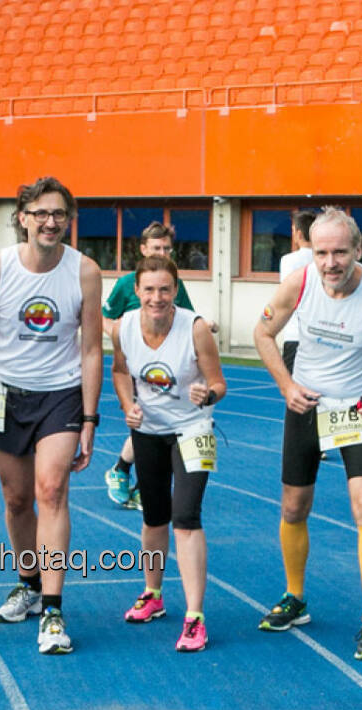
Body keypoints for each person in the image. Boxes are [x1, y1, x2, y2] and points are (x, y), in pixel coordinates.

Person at [252, 207, 362, 661]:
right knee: (294, 506)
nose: (330, 262)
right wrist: (287, 386)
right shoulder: (300, 282)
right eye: (322, 252)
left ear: (358, 251)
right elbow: (263, 332)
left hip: (356, 410)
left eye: (340, 252)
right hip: (307, 405)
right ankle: (295, 597)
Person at [0, 175, 103, 655]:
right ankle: (27, 582)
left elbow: (90, 350)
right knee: (18, 498)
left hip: (60, 395)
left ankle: (54, 607)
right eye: (40, 213)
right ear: (22, 217)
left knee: (51, 490)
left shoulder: (84, 271)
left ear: (69, 220)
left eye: (58, 213)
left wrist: (89, 419)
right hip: (4, 393)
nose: (50, 221)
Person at [111, 255, 226, 653]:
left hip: (193, 429)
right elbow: (120, 371)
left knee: (186, 517)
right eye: (149, 290)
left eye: (164, 289)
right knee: (153, 516)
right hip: (148, 430)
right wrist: (128, 405)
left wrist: (206, 393)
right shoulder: (124, 327)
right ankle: (153, 594)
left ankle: (194, 616)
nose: (156, 297)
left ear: (175, 291)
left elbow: (218, 383)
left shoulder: (194, 329)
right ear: (136, 291)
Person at [101, 221, 197, 510]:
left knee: (156, 421)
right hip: (134, 365)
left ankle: (127, 472)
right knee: (145, 420)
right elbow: (103, 317)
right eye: (157, 248)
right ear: (143, 249)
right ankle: (129, 474)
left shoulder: (173, 285)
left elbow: (190, 319)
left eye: (168, 248)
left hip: (164, 365)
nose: (164, 252)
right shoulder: (125, 284)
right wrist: (119, 333)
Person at [276, 210, 317, 374]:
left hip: (296, 334)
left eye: (293, 231)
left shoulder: (289, 260)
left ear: (298, 234)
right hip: (321, 337)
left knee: (295, 394)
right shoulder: (325, 260)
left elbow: (285, 297)